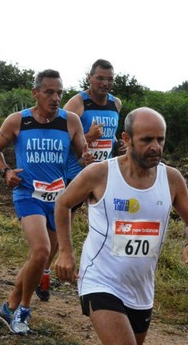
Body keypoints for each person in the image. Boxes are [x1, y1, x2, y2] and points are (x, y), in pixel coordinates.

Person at [54, 107, 188, 345]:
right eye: (147, 140)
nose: (155, 146)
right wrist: (65, 251)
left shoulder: (171, 179)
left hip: (141, 288)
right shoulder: (99, 174)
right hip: (99, 280)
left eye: (160, 139)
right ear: (127, 140)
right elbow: (63, 203)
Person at [0, 69, 92, 335]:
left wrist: (87, 160)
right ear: (35, 93)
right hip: (28, 195)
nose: (56, 98)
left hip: (59, 199)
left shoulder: (70, 122)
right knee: (41, 251)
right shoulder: (18, 121)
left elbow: (82, 155)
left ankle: (8, 306)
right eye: (49, 92)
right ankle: (22, 310)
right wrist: (6, 171)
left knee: (39, 260)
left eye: (59, 92)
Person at [35, 58, 126, 302]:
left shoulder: (116, 104)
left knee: (108, 226)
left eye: (109, 79)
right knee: (62, 230)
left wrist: (120, 145)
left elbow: (112, 137)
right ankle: (43, 274)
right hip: (76, 176)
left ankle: (104, 277)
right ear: (90, 78)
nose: (105, 83)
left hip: (104, 176)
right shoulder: (77, 103)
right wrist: (89, 136)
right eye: (100, 78)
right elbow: (62, 140)